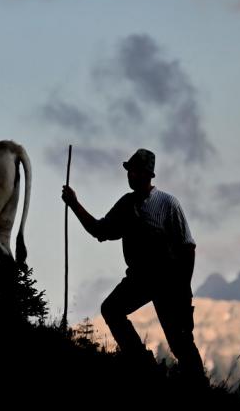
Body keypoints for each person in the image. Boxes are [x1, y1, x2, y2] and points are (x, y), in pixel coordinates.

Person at [62, 148, 205, 381]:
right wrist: (74, 204)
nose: (130, 175)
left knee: (179, 341)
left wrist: (184, 289)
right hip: (139, 278)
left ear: (147, 175)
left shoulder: (168, 204)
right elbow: (100, 231)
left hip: (168, 281)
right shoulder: (126, 205)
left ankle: (198, 384)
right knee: (111, 309)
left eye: (134, 171)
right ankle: (141, 363)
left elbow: (188, 247)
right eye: (129, 171)